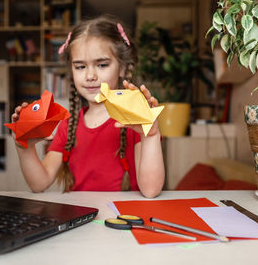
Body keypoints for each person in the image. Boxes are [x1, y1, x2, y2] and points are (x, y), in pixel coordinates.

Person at [11, 15, 164, 198]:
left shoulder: (135, 122)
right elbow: (39, 183)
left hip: (122, 218)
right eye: (80, 67)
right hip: (80, 221)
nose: (90, 75)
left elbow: (150, 190)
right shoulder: (68, 126)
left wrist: (151, 135)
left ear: (122, 67)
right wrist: (24, 146)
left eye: (101, 64)